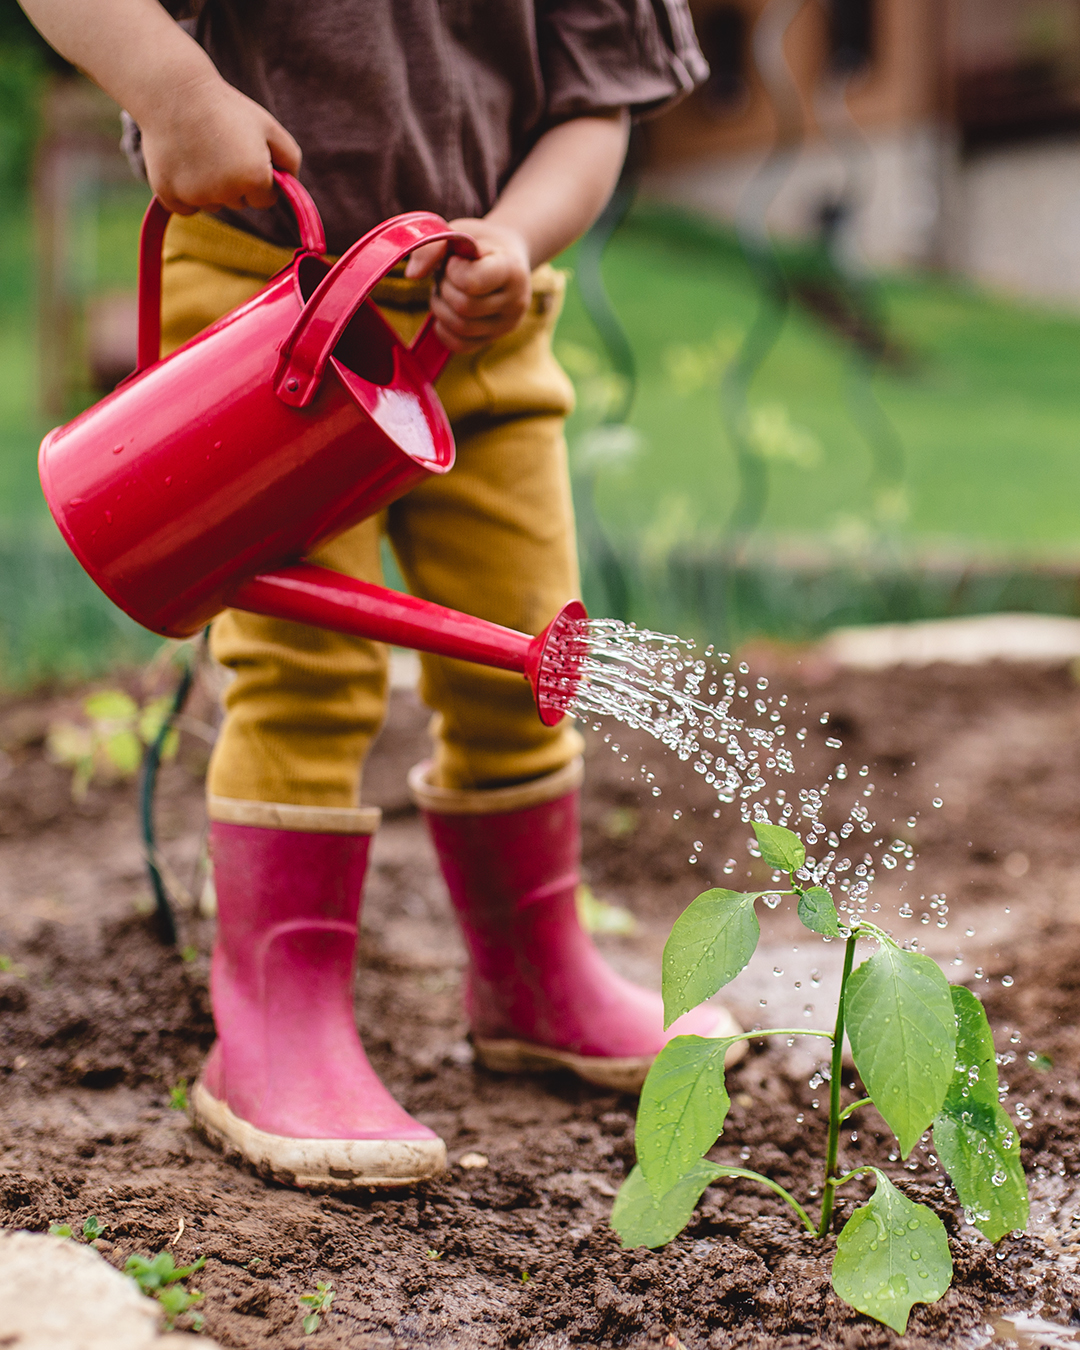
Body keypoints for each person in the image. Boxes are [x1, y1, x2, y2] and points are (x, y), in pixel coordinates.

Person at [20, 0, 742, 1191]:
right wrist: (174, 90)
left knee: (527, 652)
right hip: (268, 304)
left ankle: (534, 970)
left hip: (483, 325)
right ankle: (277, 1020)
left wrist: (514, 237)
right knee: (309, 674)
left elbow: (594, 107)